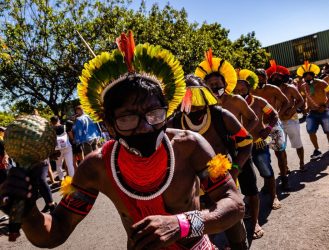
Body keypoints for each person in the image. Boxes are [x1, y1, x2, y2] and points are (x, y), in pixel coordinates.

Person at [0, 31, 244, 249]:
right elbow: (53, 233)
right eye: (128, 119)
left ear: (166, 110)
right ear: (108, 125)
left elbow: (233, 204)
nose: (145, 127)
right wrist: (28, 211)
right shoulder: (97, 167)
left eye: (154, 114)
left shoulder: (189, 146)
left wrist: (181, 224)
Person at [172, 74, 252, 247]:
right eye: (187, 99)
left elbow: (246, 143)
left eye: (196, 98)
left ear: (205, 94)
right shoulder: (175, 123)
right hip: (194, 191)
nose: (193, 106)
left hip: (223, 183)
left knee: (234, 230)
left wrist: (235, 170)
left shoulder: (221, 116)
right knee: (199, 234)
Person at [195, 50, 260, 246]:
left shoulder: (235, 101)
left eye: (218, 83)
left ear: (225, 84)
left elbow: (253, 121)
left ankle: (255, 223)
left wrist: (236, 138)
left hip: (238, 155)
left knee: (249, 189)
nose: (215, 87)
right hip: (211, 169)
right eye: (210, 84)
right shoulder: (200, 109)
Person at [233, 69, 282, 212]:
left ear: (249, 87)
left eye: (242, 88)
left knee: (266, 170)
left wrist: (269, 128)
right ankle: (249, 199)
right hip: (241, 147)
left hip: (259, 142)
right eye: (236, 89)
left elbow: (274, 115)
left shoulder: (259, 102)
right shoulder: (232, 103)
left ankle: (274, 196)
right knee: (246, 177)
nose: (240, 91)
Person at [254, 67, 291, 186]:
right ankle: (267, 183)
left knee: (279, 152)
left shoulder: (273, 89)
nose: (259, 81)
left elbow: (286, 102)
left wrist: (277, 114)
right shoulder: (250, 91)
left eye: (262, 78)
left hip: (273, 126)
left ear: (266, 78)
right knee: (264, 156)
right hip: (259, 129)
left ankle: (284, 178)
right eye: (257, 79)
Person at [267, 62, 306, 171]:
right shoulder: (270, 91)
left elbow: (300, 100)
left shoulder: (290, 88)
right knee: (280, 148)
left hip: (291, 120)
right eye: (273, 77)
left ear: (283, 77)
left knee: (297, 143)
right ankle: (285, 167)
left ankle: (302, 163)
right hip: (277, 123)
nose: (276, 78)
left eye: (278, 76)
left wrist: (293, 110)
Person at [297, 61, 329, 158]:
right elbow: (304, 98)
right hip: (312, 113)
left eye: (309, 75)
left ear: (313, 75)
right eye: (305, 76)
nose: (307, 77)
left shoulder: (322, 83)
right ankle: (317, 150)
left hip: (324, 112)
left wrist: (325, 106)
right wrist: (305, 107)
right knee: (310, 131)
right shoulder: (303, 87)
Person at [50, 116, 75, 180]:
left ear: (51, 122)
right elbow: (71, 136)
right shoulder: (65, 126)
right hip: (67, 147)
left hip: (57, 149)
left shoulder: (50, 130)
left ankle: (62, 179)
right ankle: (73, 179)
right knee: (70, 164)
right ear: (58, 120)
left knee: (58, 165)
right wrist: (72, 140)